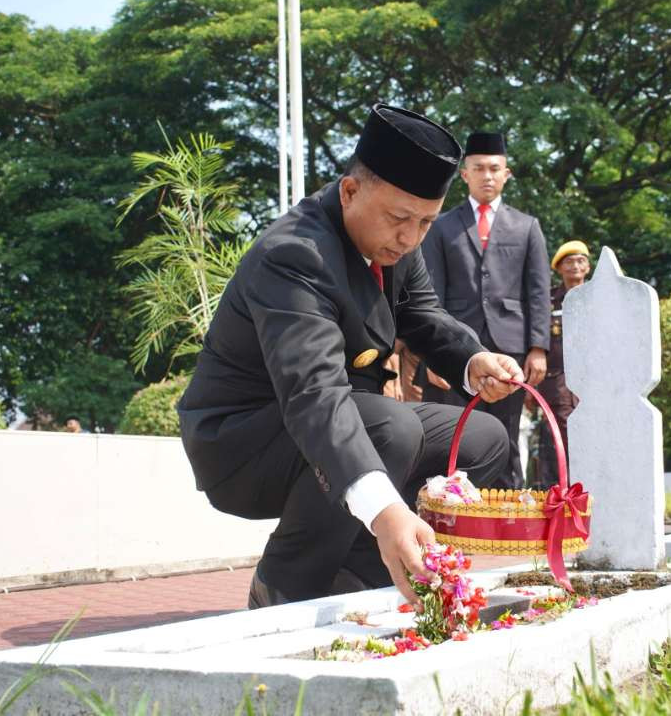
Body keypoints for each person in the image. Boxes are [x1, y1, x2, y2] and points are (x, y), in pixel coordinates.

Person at [176, 104, 523, 609]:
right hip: (244, 444)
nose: (410, 238)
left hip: (339, 423)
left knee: (484, 440)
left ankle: (358, 576)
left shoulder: (399, 243)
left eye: (426, 223)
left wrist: (474, 360)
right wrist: (387, 512)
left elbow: (423, 316)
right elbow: (314, 394)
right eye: (400, 218)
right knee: (390, 427)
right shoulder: (293, 255)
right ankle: (283, 585)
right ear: (350, 191)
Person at [419, 131, 551, 488]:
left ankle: (508, 522)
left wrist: (538, 348)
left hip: (511, 347)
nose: (487, 176)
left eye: (495, 168)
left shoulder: (527, 227)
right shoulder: (441, 225)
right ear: (464, 174)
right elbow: (430, 292)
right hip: (455, 349)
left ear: (507, 174)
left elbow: (538, 291)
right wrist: (433, 354)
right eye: (478, 168)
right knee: (451, 435)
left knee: (508, 435)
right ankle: (451, 517)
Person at [534, 240, 592, 487]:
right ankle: (558, 492)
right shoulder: (547, 301)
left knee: (591, 430)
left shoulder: (598, 297)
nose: (575, 266)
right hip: (556, 380)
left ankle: (588, 485)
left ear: (588, 266)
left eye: (580, 260)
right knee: (557, 434)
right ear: (558, 268)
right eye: (568, 261)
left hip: (593, 378)